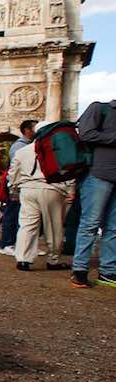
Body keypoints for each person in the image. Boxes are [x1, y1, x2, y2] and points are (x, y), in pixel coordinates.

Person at [9, 122, 74, 272]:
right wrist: (71, 189)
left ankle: (23, 260)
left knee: (27, 225)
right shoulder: (57, 149)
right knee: (54, 227)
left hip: (27, 189)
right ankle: (53, 260)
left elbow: (13, 173)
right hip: (51, 189)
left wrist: (14, 187)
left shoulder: (22, 151)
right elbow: (68, 170)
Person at [71, 100, 116, 288]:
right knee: (90, 223)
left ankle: (108, 271)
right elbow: (86, 134)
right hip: (97, 174)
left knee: (114, 228)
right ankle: (79, 270)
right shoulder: (100, 108)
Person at [0, 120, 38, 255]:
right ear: (27, 130)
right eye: (35, 128)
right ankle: (7, 244)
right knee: (12, 215)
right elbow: (15, 169)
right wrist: (13, 188)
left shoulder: (28, 145)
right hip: (18, 186)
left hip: (26, 185)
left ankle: (24, 245)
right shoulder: (19, 147)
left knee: (25, 217)